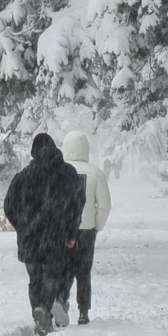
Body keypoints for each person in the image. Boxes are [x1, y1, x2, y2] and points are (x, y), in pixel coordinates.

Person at [4, 133, 86, 336]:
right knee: (51, 277)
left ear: (33, 151)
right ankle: (45, 315)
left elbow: (8, 206)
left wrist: (22, 226)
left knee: (35, 280)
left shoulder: (23, 176)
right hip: (55, 237)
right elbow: (77, 206)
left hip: (30, 238)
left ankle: (38, 314)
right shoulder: (68, 174)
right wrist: (71, 232)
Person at [60, 130, 112, 325]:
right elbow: (105, 205)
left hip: (63, 230)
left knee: (63, 269)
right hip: (87, 230)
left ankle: (61, 303)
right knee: (84, 271)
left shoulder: (59, 171)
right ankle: (83, 311)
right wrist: (96, 225)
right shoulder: (96, 174)